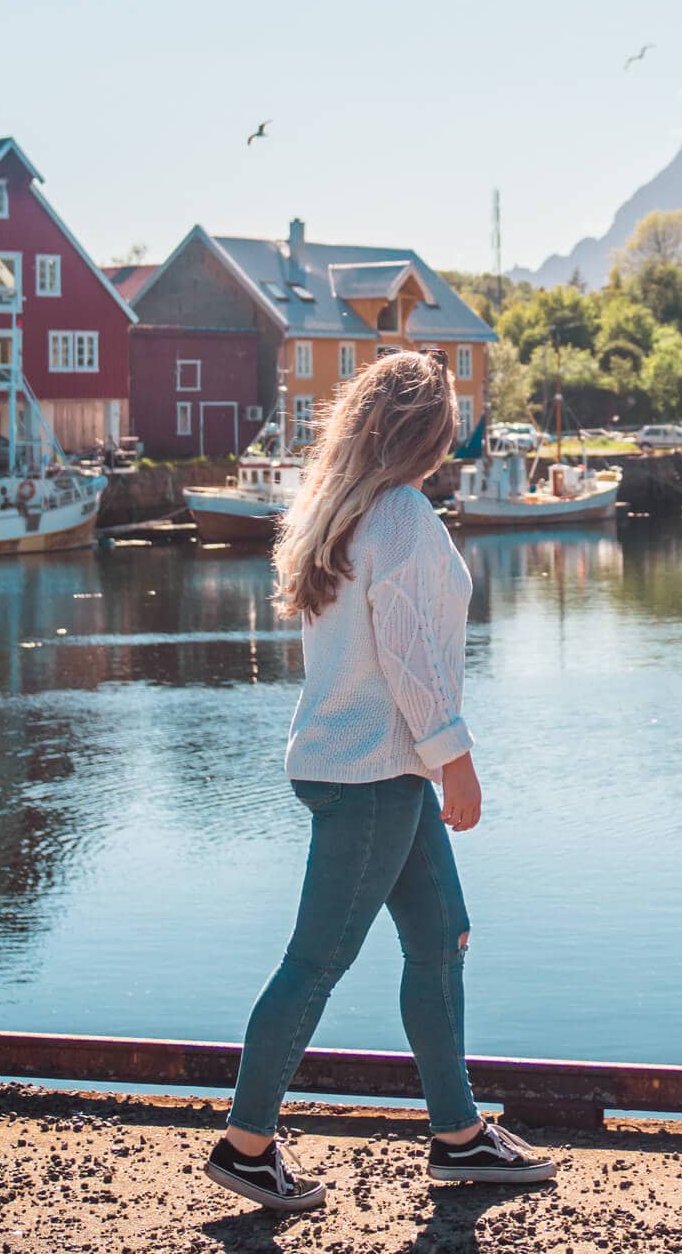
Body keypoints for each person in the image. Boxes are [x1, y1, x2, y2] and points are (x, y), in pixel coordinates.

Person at [204, 348, 557, 1214]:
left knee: (443, 937)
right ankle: (247, 1148)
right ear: (425, 435)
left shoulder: (342, 509)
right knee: (316, 961)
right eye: (446, 425)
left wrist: (428, 760)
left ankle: (460, 1137)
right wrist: (457, 758)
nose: (452, 436)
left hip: (373, 771)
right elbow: (409, 656)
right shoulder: (398, 516)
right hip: (373, 776)